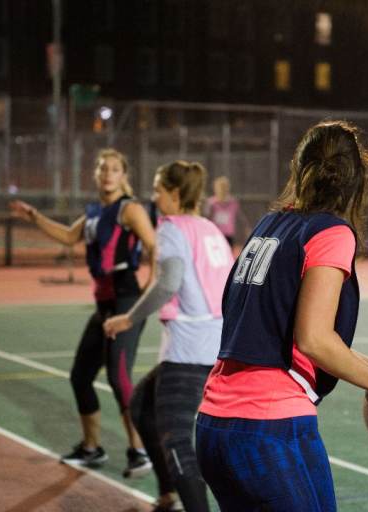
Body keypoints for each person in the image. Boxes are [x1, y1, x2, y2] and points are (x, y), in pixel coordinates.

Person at [195, 120, 368, 511]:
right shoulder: (332, 233)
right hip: (267, 427)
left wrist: (360, 362)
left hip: (216, 426)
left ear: (299, 168)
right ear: (358, 180)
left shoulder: (269, 225)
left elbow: (265, 323)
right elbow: (313, 338)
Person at [10, 148, 156, 477]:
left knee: (120, 379)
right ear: (96, 174)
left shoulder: (128, 209)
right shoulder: (94, 214)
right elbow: (67, 236)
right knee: (80, 377)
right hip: (103, 305)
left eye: (114, 169)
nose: (107, 174)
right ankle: (92, 449)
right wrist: (33, 216)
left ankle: (140, 451)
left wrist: (149, 291)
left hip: (126, 299)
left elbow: (154, 246)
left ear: (123, 176)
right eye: (103, 169)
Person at [104, 161, 233, 512]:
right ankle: (169, 495)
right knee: (142, 406)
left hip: (189, 350)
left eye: (159, 189)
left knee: (176, 440)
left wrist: (129, 319)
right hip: (215, 344)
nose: (154, 195)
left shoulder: (172, 229)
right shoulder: (209, 229)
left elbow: (168, 283)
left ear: (175, 194)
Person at [204, 176, 244, 247]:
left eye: (225, 187)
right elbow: (206, 218)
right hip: (214, 234)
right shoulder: (211, 203)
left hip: (228, 235)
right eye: (220, 187)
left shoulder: (233, 202)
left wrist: (246, 229)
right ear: (215, 188)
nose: (222, 190)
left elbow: (240, 218)